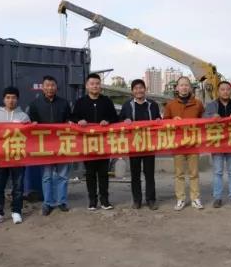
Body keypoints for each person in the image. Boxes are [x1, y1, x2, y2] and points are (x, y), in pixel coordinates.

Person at [73, 73, 119, 211]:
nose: (95, 86)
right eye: (92, 84)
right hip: (87, 143)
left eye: (97, 84)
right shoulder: (80, 102)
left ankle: (105, 200)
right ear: (87, 86)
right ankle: (92, 200)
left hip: (104, 143)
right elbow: (73, 117)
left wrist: (108, 121)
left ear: (100, 86)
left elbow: (115, 118)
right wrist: (79, 121)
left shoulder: (106, 101)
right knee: (90, 173)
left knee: (103, 173)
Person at [27, 75, 72, 215]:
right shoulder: (35, 104)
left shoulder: (64, 103)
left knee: (62, 175)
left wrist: (69, 122)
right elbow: (31, 123)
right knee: (47, 176)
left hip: (62, 144)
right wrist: (33, 124)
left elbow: (69, 119)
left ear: (56, 87)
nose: (50, 88)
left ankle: (62, 201)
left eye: (52, 85)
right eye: (47, 85)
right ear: (42, 87)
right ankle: (48, 203)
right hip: (45, 145)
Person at [0, 86, 30, 225]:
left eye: (14, 97)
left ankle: (16, 211)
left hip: (18, 156)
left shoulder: (23, 116)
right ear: (4, 99)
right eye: (8, 97)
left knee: (18, 186)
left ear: (17, 99)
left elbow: (30, 136)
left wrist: (30, 126)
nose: (11, 100)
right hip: (0, 157)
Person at [163, 76, 205, 211]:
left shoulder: (198, 104)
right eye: (181, 85)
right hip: (178, 144)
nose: (184, 87)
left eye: (186, 85)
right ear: (177, 88)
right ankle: (180, 199)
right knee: (179, 173)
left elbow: (204, 121)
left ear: (190, 87)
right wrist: (172, 120)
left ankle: (195, 198)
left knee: (194, 173)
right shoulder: (171, 105)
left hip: (193, 143)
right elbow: (164, 123)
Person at [120, 79, 162, 210]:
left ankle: (151, 200)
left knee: (149, 173)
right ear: (132, 91)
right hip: (134, 144)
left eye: (141, 88)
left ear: (145, 89)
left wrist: (158, 119)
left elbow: (159, 119)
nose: (139, 90)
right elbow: (119, 121)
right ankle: (137, 200)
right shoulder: (127, 105)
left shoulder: (153, 105)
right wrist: (125, 120)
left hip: (149, 143)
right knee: (135, 174)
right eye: (136, 88)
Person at [204, 81, 231, 208]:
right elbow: (203, 118)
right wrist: (212, 117)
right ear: (218, 91)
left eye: (227, 89)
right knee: (218, 172)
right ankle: (217, 197)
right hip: (217, 143)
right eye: (222, 89)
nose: (225, 91)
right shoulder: (211, 106)